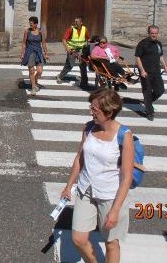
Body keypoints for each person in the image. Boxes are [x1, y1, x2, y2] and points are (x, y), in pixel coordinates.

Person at [60, 88, 134, 263]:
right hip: (86, 190)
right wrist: (69, 185)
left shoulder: (124, 136)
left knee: (111, 243)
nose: (91, 112)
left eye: (95, 109)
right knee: (78, 238)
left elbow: (126, 176)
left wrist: (115, 210)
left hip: (110, 195)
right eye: (91, 108)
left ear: (109, 112)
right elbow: (80, 158)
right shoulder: (89, 128)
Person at [135, 25, 167, 121]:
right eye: (152, 33)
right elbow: (137, 58)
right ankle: (149, 112)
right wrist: (142, 70)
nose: (154, 35)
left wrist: (165, 67)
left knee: (160, 90)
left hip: (156, 71)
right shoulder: (142, 44)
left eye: (155, 33)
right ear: (149, 33)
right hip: (146, 72)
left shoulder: (158, 43)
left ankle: (148, 102)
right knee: (147, 92)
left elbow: (161, 56)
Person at [56, 17, 90, 88]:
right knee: (70, 64)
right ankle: (60, 77)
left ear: (81, 23)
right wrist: (67, 48)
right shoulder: (71, 29)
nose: (75, 23)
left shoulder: (85, 29)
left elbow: (87, 39)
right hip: (72, 49)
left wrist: (86, 46)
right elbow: (64, 39)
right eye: (74, 21)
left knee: (83, 66)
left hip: (81, 50)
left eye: (77, 22)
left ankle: (84, 82)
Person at [20, 16, 49, 94]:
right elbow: (23, 43)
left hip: (38, 53)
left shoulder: (40, 32)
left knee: (39, 71)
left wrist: (46, 53)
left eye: (31, 24)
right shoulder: (27, 31)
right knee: (31, 70)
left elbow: (43, 43)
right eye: (30, 23)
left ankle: (35, 81)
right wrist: (22, 54)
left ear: (36, 24)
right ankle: (33, 86)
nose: (30, 25)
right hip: (30, 53)